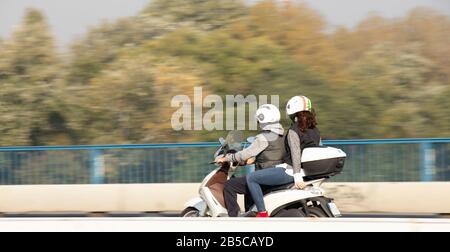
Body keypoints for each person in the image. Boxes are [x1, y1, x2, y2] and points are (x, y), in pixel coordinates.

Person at [245, 96, 321, 217]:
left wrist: (297, 177)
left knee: (251, 178)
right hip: (307, 171)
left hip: (291, 171)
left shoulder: (294, 130)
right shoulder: (315, 130)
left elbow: (296, 153)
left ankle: (262, 212)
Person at [215, 104, 286, 217]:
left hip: (264, 176)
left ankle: (233, 218)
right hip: (277, 174)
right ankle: (250, 212)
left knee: (230, 185)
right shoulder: (283, 136)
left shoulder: (263, 137)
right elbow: (270, 155)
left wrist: (226, 158)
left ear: (263, 120)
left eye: (258, 121)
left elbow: (244, 154)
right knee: (246, 184)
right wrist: (252, 161)